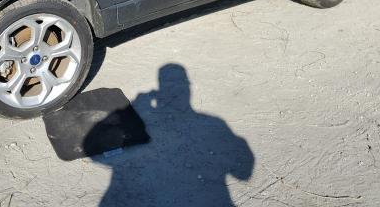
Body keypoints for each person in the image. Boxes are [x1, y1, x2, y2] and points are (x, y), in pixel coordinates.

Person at [85, 63, 254, 206]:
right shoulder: (215, 123)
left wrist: (127, 110)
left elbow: (92, 151)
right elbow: (243, 173)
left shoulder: (214, 123)